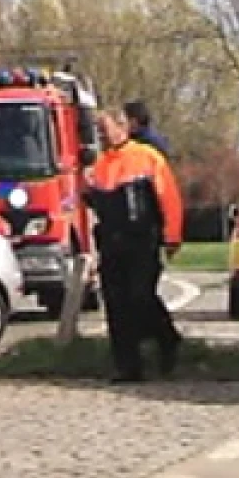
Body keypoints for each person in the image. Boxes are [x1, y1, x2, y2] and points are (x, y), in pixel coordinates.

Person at [86, 111, 185, 382]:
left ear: (123, 127)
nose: (101, 136)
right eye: (98, 131)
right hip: (111, 242)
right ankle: (127, 365)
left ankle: (168, 339)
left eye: (104, 130)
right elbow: (93, 206)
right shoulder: (100, 166)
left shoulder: (147, 157)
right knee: (116, 305)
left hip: (142, 240)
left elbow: (169, 198)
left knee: (141, 296)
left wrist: (172, 236)